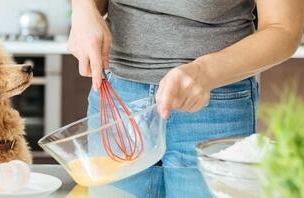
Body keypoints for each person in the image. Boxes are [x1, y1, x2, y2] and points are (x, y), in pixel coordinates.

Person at [68, 0, 303, 197]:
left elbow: (283, 28)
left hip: (214, 101)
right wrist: (83, 9)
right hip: (118, 100)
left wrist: (205, 73)